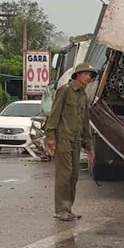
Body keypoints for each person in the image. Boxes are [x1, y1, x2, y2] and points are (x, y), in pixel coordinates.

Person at [44, 63, 97, 221]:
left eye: (90, 75)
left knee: (74, 175)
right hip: (63, 139)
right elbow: (54, 114)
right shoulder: (65, 90)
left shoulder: (83, 96)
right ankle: (61, 209)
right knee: (64, 175)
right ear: (78, 75)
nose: (89, 77)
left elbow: (85, 123)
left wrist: (89, 146)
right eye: (86, 74)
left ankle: (68, 208)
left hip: (76, 140)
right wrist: (50, 137)